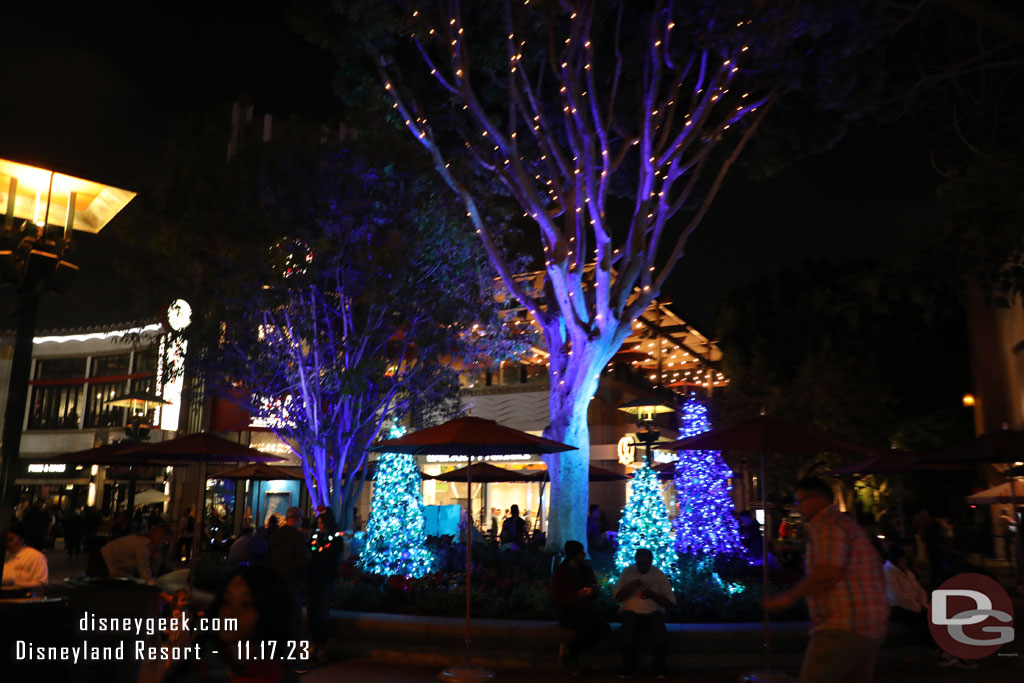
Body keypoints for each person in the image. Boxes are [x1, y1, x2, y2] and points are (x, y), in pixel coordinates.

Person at [763, 477, 888, 683]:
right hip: (869, 625)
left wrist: (789, 596)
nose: (798, 507)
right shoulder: (846, 524)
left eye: (800, 500)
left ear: (816, 499)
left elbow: (828, 570)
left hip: (843, 624)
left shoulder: (827, 525)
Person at [164, 565, 300, 683]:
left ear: (270, 613)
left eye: (246, 604)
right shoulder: (192, 671)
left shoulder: (282, 675)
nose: (229, 612)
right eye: (226, 601)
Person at [883, 544, 977, 670]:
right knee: (925, 620)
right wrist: (918, 607)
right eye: (903, 559)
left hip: (914, 606)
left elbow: (919, 589)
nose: (905, 561)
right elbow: (896, 596)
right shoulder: (888, 572)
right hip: (898, 609)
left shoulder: (907, 571)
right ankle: (941, 653)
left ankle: (951, 648)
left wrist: (922, 604)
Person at [612, 548, 675, 679]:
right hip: (630, 610)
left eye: (646, 564)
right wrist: (630, 586)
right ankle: (630, 668)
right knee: (628, 633)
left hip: (653, 611)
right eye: (640, 564)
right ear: (636, 561)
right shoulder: (627, 572)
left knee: (660, 634)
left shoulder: (659, 575)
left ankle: (660, 668)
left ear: (651, 562)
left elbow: (670, 602)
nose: (643, 567)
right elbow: (617, 598)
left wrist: (652, 594)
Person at [551, 540, 610, 676]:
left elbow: (593, 586)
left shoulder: (585, 569)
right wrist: (577, 596)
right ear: (574, 554)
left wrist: (594, 591)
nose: (584, 555)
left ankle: (569, 650)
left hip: (586, 608)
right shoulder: (562, 573)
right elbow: (557, 598)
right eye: (581, 552)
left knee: (604, 629)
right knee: (586, 628)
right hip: (568, 611)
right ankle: (573, 659)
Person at [307, 508, 343, 666]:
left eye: (321, 523)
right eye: (318, 523)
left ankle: (321, 644)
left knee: (322, 612)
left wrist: (319, 553)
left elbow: (332, 554)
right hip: (314, 577)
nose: (319, 525)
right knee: (312, 612)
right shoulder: (315, 536)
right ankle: (314, 643)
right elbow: (310, 550)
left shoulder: (335, 538)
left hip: (326, 577)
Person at [268, 507, 309, 644]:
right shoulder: (298, 537)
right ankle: (292, 656)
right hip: (292, 582)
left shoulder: (275, 535)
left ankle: (276, 653)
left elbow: (269, 557)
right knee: (293, 619)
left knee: (278, 617)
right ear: (298, 520)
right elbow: (302, 562)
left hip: (276, 581)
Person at [100, 522, 169, 582]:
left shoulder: (144, 542)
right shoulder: (144, 546)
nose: (166, 543)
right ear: (158, 537)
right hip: (103, 560)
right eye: (165, 539)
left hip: (108, 561)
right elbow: (145, 574)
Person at [2, 521, 49, 592]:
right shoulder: (5, 555)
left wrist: (14, 583)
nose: (6, 543)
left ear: (22, 539)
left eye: (10, 539)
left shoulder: (35, 556)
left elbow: (42, 584)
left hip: (23, 599)